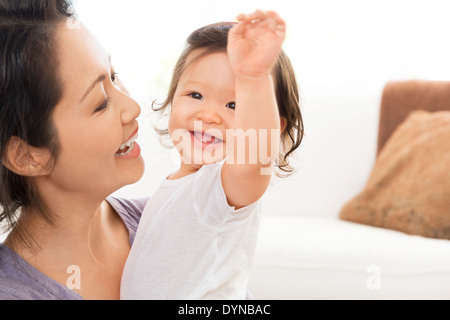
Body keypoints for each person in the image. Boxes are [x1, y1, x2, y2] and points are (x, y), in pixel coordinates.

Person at [120, 11, 304, 299]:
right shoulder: (180, 183)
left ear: (272, 129)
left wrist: (254, 78)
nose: (209, 115)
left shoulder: (220, 187)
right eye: (195, 95)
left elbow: (253, 156)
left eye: (234, 105)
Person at [0, 0, 148, 300]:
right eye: (101, 103)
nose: (133, 107)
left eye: (114, 75)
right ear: (27, 156)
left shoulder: (164, 221)